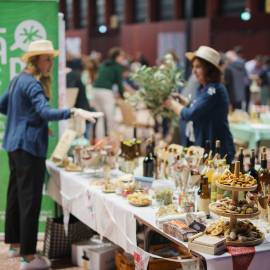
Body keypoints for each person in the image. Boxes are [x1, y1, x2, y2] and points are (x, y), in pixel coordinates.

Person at [0, 40, 101, 270]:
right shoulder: (33, 84)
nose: (50, 64)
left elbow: (3, 106)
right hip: (28, 147)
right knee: (30, 200)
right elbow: (44, 112)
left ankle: (16, 245)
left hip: (14, 145)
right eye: (47, 59)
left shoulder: (18, 79)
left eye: (51, 59)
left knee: (15, 195)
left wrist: (27, 119)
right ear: (36, 60)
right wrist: (73, 111)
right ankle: (28, 256)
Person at [165, 46, 235, 163]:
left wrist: (172, 104)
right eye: (193, 66)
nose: (193, 71)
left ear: (209, 69)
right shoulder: (203, 88)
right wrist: (184, 102)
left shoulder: (214, 90)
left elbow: (191, 114)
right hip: (206, 147)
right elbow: (200, 108)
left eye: (198, 67)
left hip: (217, 152)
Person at [93, 47, 126, 137]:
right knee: (110, 117)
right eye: (122, 57)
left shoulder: (104, 64)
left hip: (95, 90)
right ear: (117, 57)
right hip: (105, 91)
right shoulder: (117, 66)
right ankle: (113, 141)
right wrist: (123, 97)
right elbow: (119, 84)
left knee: (100, 117)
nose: (123, 59)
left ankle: (100, 140)